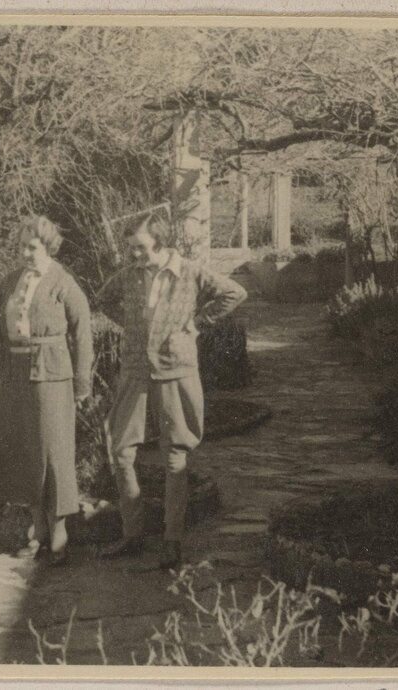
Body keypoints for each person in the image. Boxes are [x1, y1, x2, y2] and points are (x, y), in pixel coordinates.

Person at [95, 211, 247, 570]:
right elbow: (103, 299)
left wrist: (197, 322)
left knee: (175, 455)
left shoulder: (190, 272)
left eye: (141, 248)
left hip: (176, 369)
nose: (134, 255)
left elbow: (234, 292)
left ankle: (172, 540)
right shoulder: (129, 276)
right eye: (130, 248)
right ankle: (133, 534)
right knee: (120, 451)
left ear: (161, 244)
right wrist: (133, 327)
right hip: (134, 370)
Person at [0, 215, 93, 566]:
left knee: (53, 450)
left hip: (52, 374)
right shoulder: (9, 282)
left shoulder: (62, 282)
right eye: (21, 246)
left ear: (47, 246)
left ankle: (60, 531)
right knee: (24, 448)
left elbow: (82, 333)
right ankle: (38, 530)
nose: (25, 253)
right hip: (15, 374)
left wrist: (82, 383)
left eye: (32, 247)